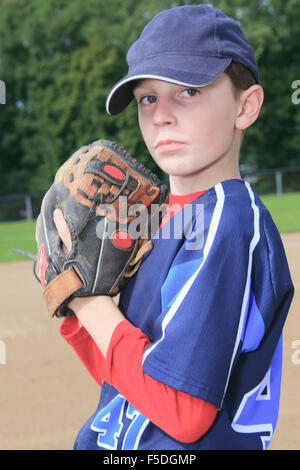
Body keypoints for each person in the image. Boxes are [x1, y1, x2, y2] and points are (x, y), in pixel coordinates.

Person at [55, 4, 294, 450]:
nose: (161, 114)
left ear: (247, 105)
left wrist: (91, 305)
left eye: (187, 91)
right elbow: (128, 383)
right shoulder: (157, 223)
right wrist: (74, 302)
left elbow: (182, 410)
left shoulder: (227, 217)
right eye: (148, 98)